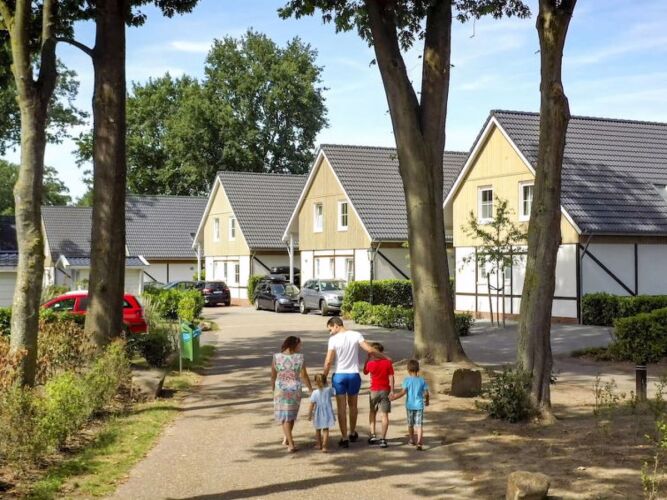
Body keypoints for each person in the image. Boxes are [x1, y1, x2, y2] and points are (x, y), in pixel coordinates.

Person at [323, 316, 387, 448]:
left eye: (330, 329)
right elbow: (369, 349)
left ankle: (344, 437)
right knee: (353, 406)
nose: (330, 332)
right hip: (353, 375)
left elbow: (328, 361)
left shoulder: (333, 340)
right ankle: (352, 432)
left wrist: (324, 375)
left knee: (341, 408)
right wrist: (385, 358)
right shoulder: (356, 335)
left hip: (339, 375)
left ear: (336, 325)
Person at [271, 336, 313, 452]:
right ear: (293, 345)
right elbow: (304, 375)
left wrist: (273, 389)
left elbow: (273, 376)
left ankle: (288, 440)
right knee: (290, 416)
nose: (301, 347)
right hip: (295, 390)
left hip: (281, 390)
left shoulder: (276, 357)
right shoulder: (300, 358)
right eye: (299, 345)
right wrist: (310, 389)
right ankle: (290, 443)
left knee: (285, 417)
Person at [390, 359, 429, 451]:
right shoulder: (422, 380)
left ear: (408, 370)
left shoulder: (406, 380)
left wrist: (394, 397)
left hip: (410, 406)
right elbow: (426, 393)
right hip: (419, 406)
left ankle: (412, 440)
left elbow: (403, 392)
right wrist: (427, 401)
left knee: (410, 424)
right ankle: (419, 442)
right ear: (418, 369)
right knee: (419, 425)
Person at [363, 342, 394, 448]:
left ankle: (373, 435)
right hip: (385, 390)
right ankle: (383, 439)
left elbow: (365, 371)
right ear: (381, 352)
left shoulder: (370, 364)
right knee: (384, 415)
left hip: (374, 391)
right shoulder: (387, 363)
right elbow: (391, 377)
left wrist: (367, 359)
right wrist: (392, 390)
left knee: (372, 412)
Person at [307, 373, 336, 453]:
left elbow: (311, 404)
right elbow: (334, 391)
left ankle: (319, 444)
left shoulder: (315, 392)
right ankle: (324, 446)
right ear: (325, 381)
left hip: (318, 413)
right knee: (326, 429)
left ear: (315, 382)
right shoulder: (328, 390)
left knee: (318, 429)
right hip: (327, 412)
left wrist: (309, 415)